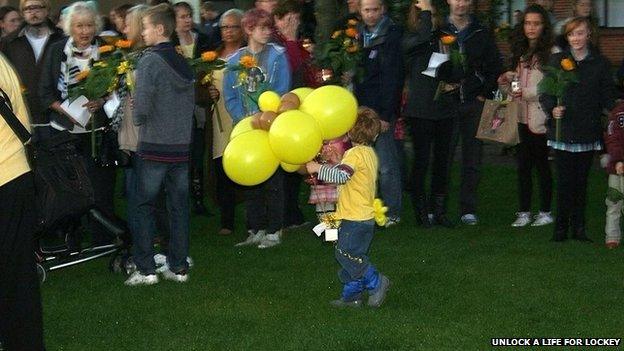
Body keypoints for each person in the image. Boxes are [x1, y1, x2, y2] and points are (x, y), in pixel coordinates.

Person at [39, 1, 122, 247]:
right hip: (64, 132)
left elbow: (117, 85)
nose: (84, 31)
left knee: (100, 186)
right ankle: (70, 237)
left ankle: (103, 238)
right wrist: (65, 110)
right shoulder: (56, 50)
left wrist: (102, 99)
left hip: (97, 131)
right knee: (70, 188)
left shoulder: (107, 51)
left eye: (88, 25)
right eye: (79, 26)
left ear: (95, 26)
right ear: (69, 28)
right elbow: (44, 92)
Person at [125, 3, 195, 285]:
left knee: (143, 206)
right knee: (178, 207)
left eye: (145, 27)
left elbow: (141, 111)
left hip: (154, 145)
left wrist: (136, 106)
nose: (142, 32)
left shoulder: (150, 61)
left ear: (159, 29)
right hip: (180, 147)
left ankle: (145, 268)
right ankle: (178, 266)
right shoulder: (183, 61)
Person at [540, 17, 616, 242]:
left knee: (581, 183)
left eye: (580, 33)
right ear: (567, 36)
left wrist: (616, 110)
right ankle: (560, 229)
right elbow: (546, 93)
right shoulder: (557, 60)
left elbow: (608, 97)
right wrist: (552, 108)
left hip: (586, 130)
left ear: (588, 35)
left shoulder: (600, 64)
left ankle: (579, 229)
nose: (576, 38)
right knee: (564, 182)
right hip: (563, 131)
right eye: (572, 34)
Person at [305, 107, 390, 308]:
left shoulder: (353, 154)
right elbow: (351, 175)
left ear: (350, 132)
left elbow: (342, 176)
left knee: (345, 253)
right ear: (375, 134)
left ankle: (377, 282)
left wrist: (318, 168)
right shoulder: (367, 153)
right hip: (358, 216)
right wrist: (336, 162)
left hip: (355, 218)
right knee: (351, 255)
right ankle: (352, 297)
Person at [223, 8, 291, 249]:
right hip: (246, 127)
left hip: (270, 124)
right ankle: (255, 227)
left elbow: (282, 89)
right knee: (250, 177)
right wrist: (244, 118)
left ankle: (274, 229)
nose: (267, 32)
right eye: (262, 28)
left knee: (272, 178)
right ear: (249, 29)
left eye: (269, 28)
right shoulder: (234, 61)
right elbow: (230, 96)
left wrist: (267, 116)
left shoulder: (277, 56)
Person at [438, 0, 502, 225]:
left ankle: (468, 208)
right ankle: (439, 207)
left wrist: (484, 91)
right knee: (443, 156)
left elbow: (495, 65)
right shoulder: (440, 29)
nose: (460, 3)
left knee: (472, 158)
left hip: (474, 103)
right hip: (447, 104)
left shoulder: (480, 31)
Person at [0, 53, 45, 351]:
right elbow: (22, 117)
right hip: (16, 174)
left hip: (7, 177)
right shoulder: (2, 61)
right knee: (18, 272)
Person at [498, 4, 554, 228]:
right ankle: (523, 211)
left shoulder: (551, 54)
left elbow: (551, 88)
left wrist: (526, 92)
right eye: (528, 23)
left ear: (544, 26)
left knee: (542, 166)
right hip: (520, 116)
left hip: (539, 119)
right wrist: (506, 82)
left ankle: (546, 211)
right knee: (522, 166)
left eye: (536, 23)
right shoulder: (518, 51)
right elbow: (511, 86)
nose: (531, 28)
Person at [401, 0, 454, 228]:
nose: (430, 20)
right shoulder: (410, 39)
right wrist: (424, 15)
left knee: (442, 162)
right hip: (421, 110)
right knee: (422, 161)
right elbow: (421, 38)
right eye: (425, 15)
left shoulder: (444, 37)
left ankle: (439, 211)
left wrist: (454, 79)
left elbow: (456, 66)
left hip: (444, 109)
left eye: (432, 15)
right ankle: (422, 213)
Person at [354, 0, 404, 227]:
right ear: (360, 11)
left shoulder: (392, 35)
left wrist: (385, 114)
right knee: (360, 163)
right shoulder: (353, 35)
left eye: (375, 10)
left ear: (382, 9)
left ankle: (392, 211)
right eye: (367, 10)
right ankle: (362, 208)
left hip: (380, 109)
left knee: (386, 165)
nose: (371, 15)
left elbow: (393, 78)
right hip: (356, 108)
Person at [1, 0, 63, 141]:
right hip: (24, 113)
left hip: (57, 114)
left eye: (37, 7)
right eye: (28, 9)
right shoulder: (10, 42)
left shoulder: (61, 38)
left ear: (47, 10)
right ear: (23, 13)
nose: (33, 12)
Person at [206, 8, 244, 236]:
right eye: (224, 27)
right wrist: (206, 92)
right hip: (219, 121)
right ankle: (227, 221)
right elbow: (199, 90)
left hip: (241, 118)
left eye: (233, 26)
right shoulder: (212, 57)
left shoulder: (248, 56)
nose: (228, 31)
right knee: (222, 170)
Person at [172, 1, 212, 216]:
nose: (187, 20)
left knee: (197, 153)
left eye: (189, 16)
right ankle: (180, 198)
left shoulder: (202, 40)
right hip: (177, 106)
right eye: (182, 17)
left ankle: (198, 199)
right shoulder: (169, 42)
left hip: (197, 103)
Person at [604, 101, 624, 249]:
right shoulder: (618, 113)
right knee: (614, 201)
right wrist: (618, 160)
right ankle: (612, 235)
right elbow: (612, 138)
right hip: (617, 168)